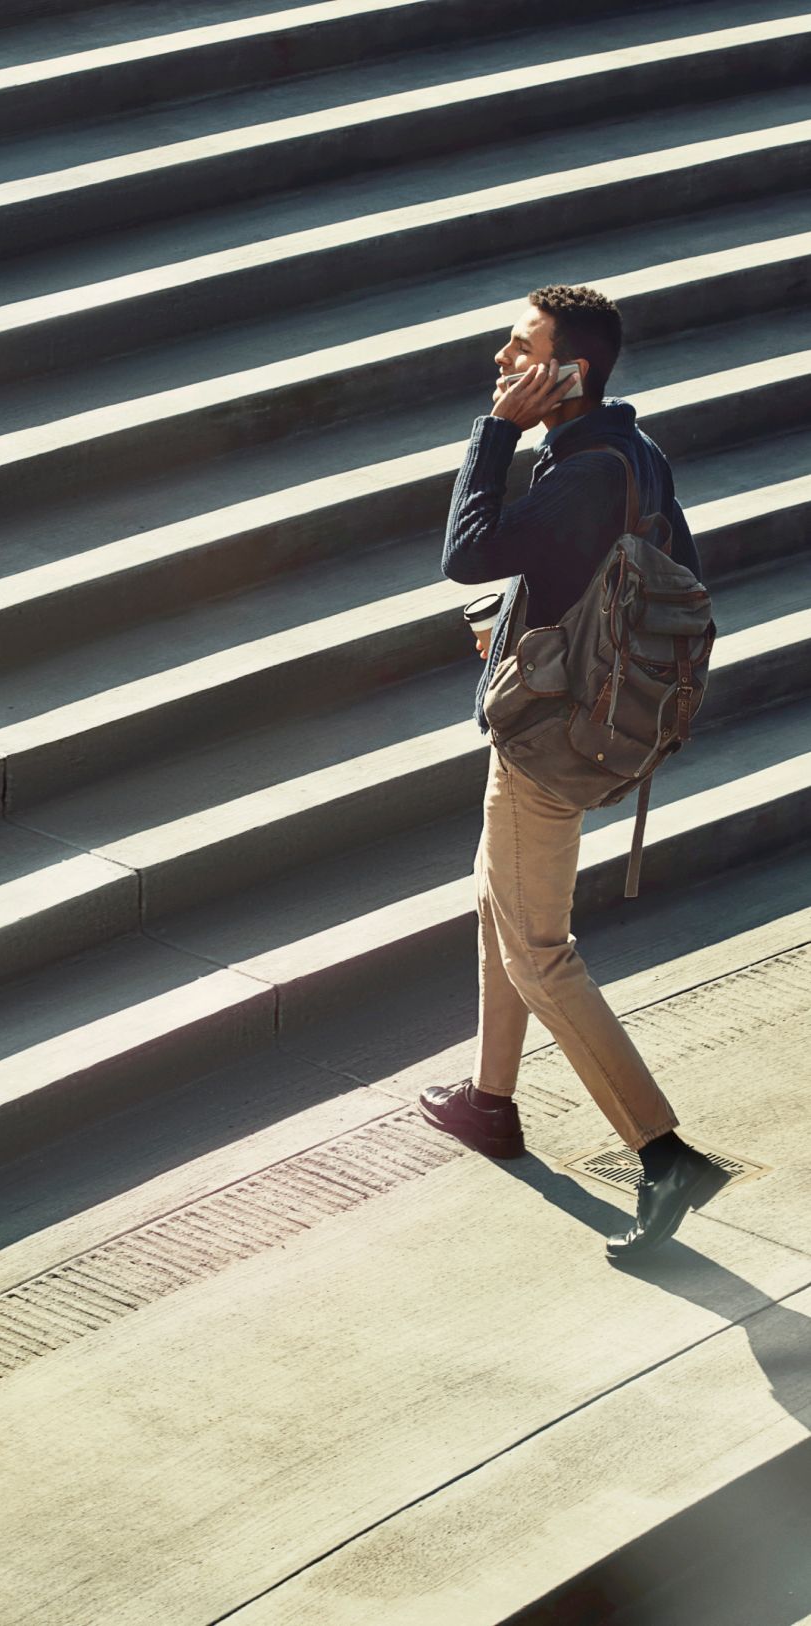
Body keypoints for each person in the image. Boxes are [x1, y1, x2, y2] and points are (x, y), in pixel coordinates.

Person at [417, 284, 731, 1262]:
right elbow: (631, 570)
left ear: (569, 371)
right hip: (589, 717)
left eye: (518, 349)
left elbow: (465, 552)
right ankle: (490, 1100)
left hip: (548, 741)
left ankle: (661, 1151)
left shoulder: (573, 469)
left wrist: (490, 434)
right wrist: (523, 626)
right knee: (496, 903)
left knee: (538, 949)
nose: (500, 364)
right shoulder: (632, 457)